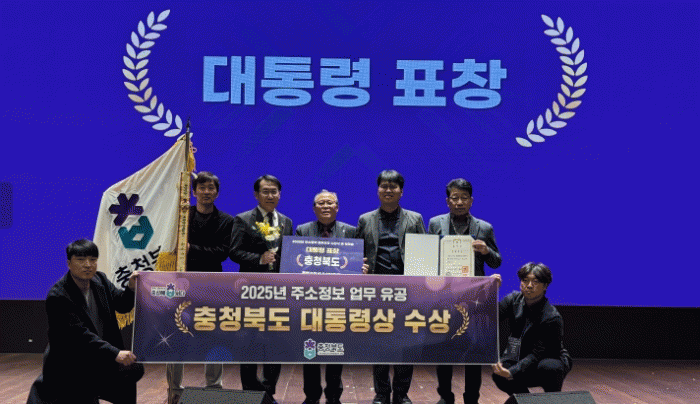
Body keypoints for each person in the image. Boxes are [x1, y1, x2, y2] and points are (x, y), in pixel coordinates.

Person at [27, 239, 144, 404]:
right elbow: (80, 336)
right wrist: (115, 353)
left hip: (97, 356)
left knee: (132, 368)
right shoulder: (58, 296)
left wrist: (131, 288)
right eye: (81, 260)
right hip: (72, 363)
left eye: (93, 259)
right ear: (69, 263)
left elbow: (122, 304)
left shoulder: (100, 280)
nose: (88, 265)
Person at [429, 179, 502, 404]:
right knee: (443, 349)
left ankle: (472, 398)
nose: (459, 202)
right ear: (447, 201)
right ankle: (445, 397)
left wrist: (486, 251)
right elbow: (428, 257)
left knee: (474, 352)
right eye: (455, 198)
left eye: (464, 198)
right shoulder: (435, 223)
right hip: (444, 296)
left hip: (474, 298)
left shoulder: (484, 227)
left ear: (471, 200)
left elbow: (497, 262)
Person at [356, 170, 426, 404]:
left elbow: (425, 251)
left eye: (393, 187)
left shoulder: (414, 218)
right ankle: (381, 393)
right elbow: (357, 252)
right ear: (378, 190)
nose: (388, 190)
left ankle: (402, 393)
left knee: (407, 343)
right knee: (380, 343)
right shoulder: (365, 219)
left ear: (401, 191)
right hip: (376, 289)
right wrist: (359, 266)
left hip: (407, 290)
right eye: (384, 186)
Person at [166, 171, 235, 404]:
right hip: (181, 281)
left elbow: (223, 253)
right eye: (202, 188)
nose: (206, 192)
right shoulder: (181, 217)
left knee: (213, 333)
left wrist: (191, 248)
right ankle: (174, 388)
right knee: (176, 333)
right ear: (193, 191)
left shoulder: (227, 220)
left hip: (212, 282)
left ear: (217, 192)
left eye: (211, 188)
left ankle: (214, 386)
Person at [230, 174, 293, 403]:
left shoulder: (286, 221)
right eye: (265, 191)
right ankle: (250, 392)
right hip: (251, 290)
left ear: (279, 194)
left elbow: (289, 254)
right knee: (249, 342)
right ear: (256, 195)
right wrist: (259, 259)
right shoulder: (243, 219)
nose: (270, 195)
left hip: (278, 291)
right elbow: (234, 251)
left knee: (275, 343)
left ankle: (268, 393)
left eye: (274, 191)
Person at [295, 190, 356, 404]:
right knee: (309, 348)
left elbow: (355, 262)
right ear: (314, 208)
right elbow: (296, 262)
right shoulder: (302, 230)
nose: (325, 206)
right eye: (321, 203)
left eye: (330, 203)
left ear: (337, 207)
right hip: (310, 298)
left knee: (335, 348)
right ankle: (311, 395)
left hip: (339, 299)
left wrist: (361, 268)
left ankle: (333, 395)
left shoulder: (351, 231)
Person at [491, 263, 573, 396]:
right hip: (521, 355)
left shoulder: (552, 317)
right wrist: (490, 290)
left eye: (535, 282)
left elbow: (537, 354)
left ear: (545, 286)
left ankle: (552, 399)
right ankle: (526, 401)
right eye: (525, 280)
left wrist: (512, 372)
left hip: (548, 358)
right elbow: (489, 318)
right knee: (499, 374)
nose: (529, 285)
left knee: (550, 368)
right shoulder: (512, 300)